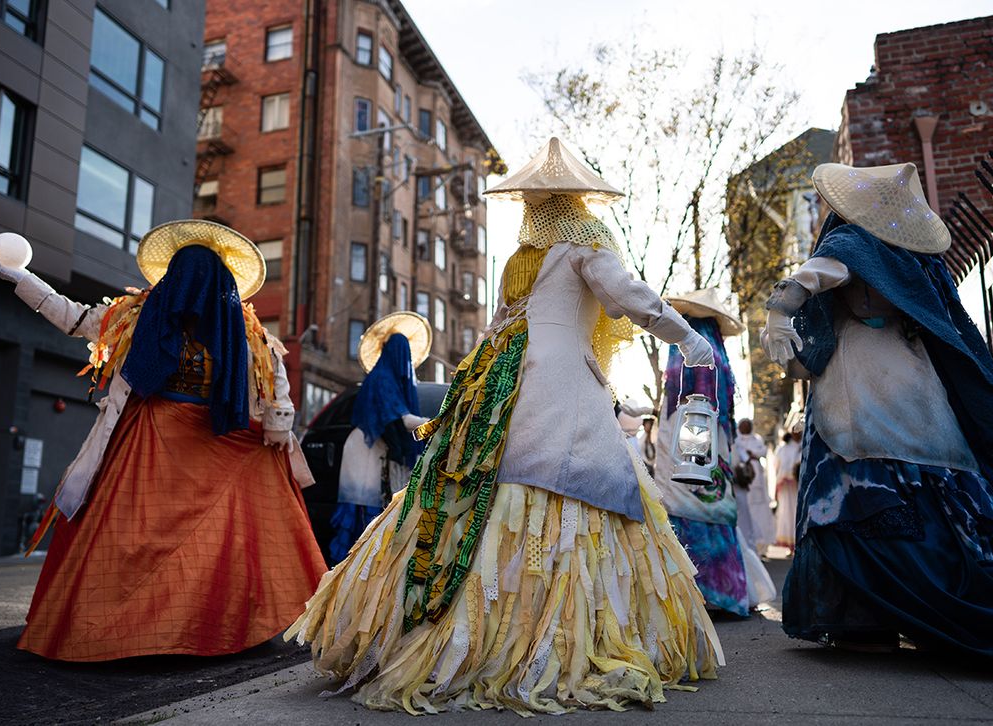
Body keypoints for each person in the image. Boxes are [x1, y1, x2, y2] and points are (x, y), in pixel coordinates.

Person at [288, 138, 723, 714]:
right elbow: (632, 297)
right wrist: (688, 338)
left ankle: (459, 631)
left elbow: (496, 331)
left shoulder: (522, 260)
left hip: (502, 385)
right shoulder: (583, 247)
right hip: (561, 384)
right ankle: (546, 635)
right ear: (576, 205)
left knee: (486, 490)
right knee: (573, 486)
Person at [761, 161, 993, 681]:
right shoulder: (914, 262)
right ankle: (878, 617)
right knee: (920, 491)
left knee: (862, 494)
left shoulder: (852, 246)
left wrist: (780, 315)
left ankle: (871, 621)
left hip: (864, 387)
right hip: (914, 383)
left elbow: (809, 280)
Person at [0, 220, 328, 662]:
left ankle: (194, 628)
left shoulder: (244, 330)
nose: (190, 285)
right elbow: (76, 318)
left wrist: (280, 425)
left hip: (205, 440)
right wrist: (21, 278)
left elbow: (274, 377)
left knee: (183, 543)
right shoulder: (142, 315)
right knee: (149, 541)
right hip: (154, 438)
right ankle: (154, 632)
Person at [655, 288, 776, 616]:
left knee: (685, 499)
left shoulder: (687, 347)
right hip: (715, 439)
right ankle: (725, 588)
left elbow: (683, 403)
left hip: (690, 433)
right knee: (714, 505)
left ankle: (695, 591)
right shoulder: (718, 355)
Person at [330, 320, 429, 563]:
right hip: (366, 449)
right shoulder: (383, 379)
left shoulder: (384, 378)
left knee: (371, 505)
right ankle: (356, 566)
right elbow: (400, 418)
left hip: (370, 447)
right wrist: (434, 421)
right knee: (364, 506)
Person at [734, 419, 776, 555]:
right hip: (741, 478)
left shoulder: (757, 439)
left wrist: (751, 453)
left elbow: (762, 451)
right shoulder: (736, 440)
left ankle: (762, 544)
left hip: (756, 478)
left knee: (759, 511)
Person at [773, 425, 802, 552]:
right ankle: (790, 545)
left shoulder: (805, 446)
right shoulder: (783, 448)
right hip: (786, 487)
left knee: (798, 513)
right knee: (786, 513)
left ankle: (799, 542)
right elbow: (777, 466)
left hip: (799, 487)